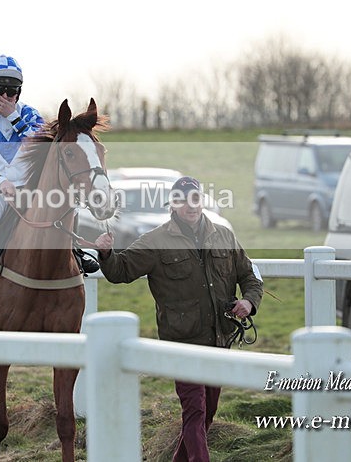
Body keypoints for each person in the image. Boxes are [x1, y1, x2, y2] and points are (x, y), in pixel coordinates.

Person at [94, 176, 264, 462]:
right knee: (195, 410)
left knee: (207, 413)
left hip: (219, 340)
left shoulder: (224, 235)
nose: (191, 206)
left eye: (195, 199)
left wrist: (248, 301)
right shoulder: (155, 240)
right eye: (183, 200)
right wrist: (107, 253)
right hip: (181, 342)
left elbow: (250, 276)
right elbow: (120, 271)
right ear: (172, 204)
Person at [0, 54, 99, 290]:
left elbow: (42, 145)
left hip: (29, 185)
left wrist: (13, 117)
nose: (6, 97)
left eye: (12, 91)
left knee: (64, 205)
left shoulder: (28, 114)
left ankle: (75, 252)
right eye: (0, 90)